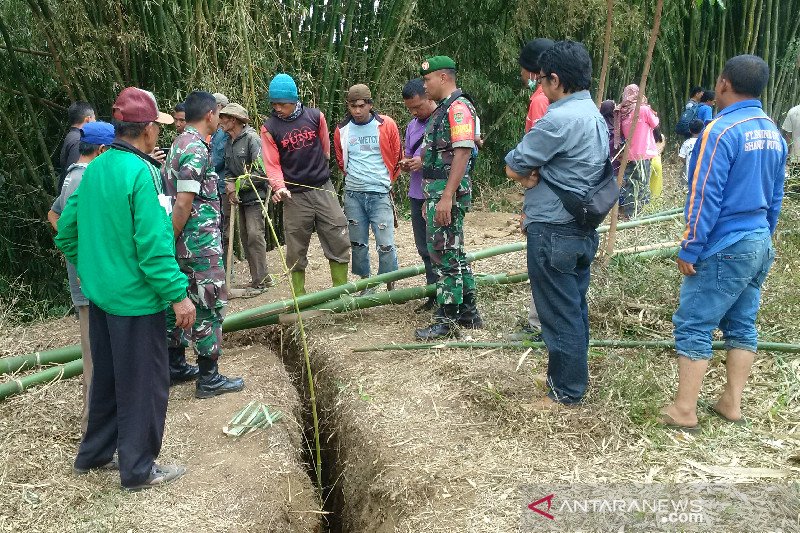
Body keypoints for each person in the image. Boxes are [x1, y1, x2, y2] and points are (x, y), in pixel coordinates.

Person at [55, 86, 192, 490]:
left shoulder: (95, 168)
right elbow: (154, 248)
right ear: (148, 130)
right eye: (158, 128)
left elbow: (65, 231)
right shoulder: (142, 172)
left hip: (101, 298)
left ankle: (94, 455)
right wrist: (178, 295)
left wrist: (95, 265)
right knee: (143, 386)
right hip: (135, 302)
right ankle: (137, 469)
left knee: (109, 381)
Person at [661, 55, 786, 432]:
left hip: (725, 243)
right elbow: (776, 195)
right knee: (743, 325)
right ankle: (731, 403)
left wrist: (690, 246)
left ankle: (684, 409)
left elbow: (704, 195)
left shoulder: (719, 131)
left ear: (723, 83)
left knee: (694, 324)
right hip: (758, 240)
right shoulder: (772, 131)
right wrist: (766, 239)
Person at [504, 40, 608, 407]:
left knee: (558, 313)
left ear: (555, 79)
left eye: (544, 79)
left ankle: (565, 392)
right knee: (574, 307)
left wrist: (525, 174)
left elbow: (515, 163)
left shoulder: (558, 119)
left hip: (553, 229)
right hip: (580, 227)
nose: (541, 87)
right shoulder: (594, 114)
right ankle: (569, 381)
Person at [162, 90, 245, 398]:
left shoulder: (178, 142)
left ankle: (175, 365)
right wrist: (170, 239)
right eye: (218, 114)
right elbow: (183, 203)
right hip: (198, 244)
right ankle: (209, 377)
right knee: (208, 304)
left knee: (177, 303)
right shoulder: (195, 148)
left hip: (184, 243)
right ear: (210, 114)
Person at [47, 121, 115, 435]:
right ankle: (92, 429)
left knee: (96, 355)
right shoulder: (84, 179)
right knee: (94, 357)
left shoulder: (72, 175)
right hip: (89, 285)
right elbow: (65, 223)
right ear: (102, 150)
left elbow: (54, 214)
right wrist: (83, 259)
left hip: (89, 281)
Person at [261, 73, 350, 296]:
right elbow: (272, 163)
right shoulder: (269, 127)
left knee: (337, 235)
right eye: (274, 104)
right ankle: (299, 299)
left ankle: (339, 295)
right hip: (294, 195)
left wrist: (319, 170)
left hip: (323, 188)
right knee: (295, 247)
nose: (278, 108)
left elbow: (325, 148)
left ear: (294, 100)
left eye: (282, 103)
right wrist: (278, 186)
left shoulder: (315, 116)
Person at [414, 56, 483, 340]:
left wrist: (446, 197)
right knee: (453, 250)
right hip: (438, 190)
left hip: (446, 192)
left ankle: (448, 317)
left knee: (444, 255)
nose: (424, 85)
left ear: (444, 77)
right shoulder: (445, 109)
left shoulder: (457, 108)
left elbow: (463, 152)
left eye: (427, 79)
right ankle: (468, 312)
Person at [334, 84, 402, 291]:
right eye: (352, 106)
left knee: (385, 242)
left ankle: (390, 284)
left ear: (370, 105)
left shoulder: (386, 124)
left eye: (361, 106)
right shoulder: (341, 129)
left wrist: (386, 182)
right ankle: (365, 282)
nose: (357, 111)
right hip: (353, 193)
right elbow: (340, 160)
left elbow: (397, 155)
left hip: (380, 192)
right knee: (357, 242)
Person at [511, 38, 554, 342]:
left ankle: (539, 325)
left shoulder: (540, 98)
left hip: (543, 191)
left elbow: (536, 151)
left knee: (541, 260)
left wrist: (524, 179)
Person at [219, 102, 273, 290]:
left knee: (254, 235)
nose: (221, 122)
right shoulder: (228, 141)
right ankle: (257, 278)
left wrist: (238, 186)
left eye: (224, 118)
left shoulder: (252, 139)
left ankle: (262, 279)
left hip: (255, 197)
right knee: (244, 236)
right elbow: (228, 171)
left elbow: (261, 172)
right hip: (239, 198)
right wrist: (229, 186)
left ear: (233, 120)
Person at [400, 78, 439, 311]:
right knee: (424, 248)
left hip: (437, 194)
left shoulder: (444, 121)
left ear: (429, 98)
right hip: (417, 193)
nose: (415, 112)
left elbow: (462, 156)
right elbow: (408, 153)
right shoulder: (412, 126)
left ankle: (449, 296)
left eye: (418, 106)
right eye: (410, 109)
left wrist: (423, 161)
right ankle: (433, 293)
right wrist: (406, 164)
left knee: (441, 248)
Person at [614, 84, 659, 218]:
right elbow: (655, 124)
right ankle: (638, 214)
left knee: (629, 184)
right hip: (644, 152)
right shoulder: (644, 109)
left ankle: (629, 213)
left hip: (629, 154)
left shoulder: (622, 111)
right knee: (642, 183)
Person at [57, 101, 96, 193]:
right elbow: (75, 176)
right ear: (88, 119)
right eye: (94, 118)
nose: (95, 121)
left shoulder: (71, 135)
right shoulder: (78, 140)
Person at [678, 119, 704, 186]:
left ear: (689, 130)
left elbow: (681, 156)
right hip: (703, 173)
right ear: (703, 130)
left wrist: (687, 162)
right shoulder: (704, 142)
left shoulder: (686, 143)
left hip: (689, 173)